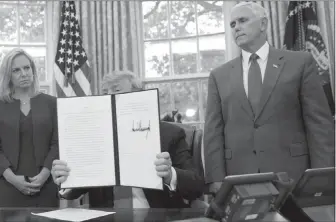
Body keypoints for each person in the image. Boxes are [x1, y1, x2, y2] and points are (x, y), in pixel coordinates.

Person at [204, 2, 335, 194]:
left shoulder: (300, 62)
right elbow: (213, 132)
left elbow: (319, 125)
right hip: (240, 180)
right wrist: (215, 179)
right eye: (232, 24)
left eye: (242, 20)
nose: (236, 27)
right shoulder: (219, 75)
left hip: (294, 177)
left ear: (263, 24)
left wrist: (322, 176)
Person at [51, 70, 204, 208]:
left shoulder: (170, 134)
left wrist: (169, 174)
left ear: (138, 95)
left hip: (157, 215)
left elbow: (196, 186)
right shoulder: (93, 136)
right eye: (104, 93)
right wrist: (66, 179)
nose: (108, 97)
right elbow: (74, 190)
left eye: (116, 91)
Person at [0, 48, 59, 207]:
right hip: (8, 187)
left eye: (27, 68)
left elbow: (57, 143)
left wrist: (44, 175)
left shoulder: (51, 103)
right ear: (8, 76)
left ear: (33, 69)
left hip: (45, 186)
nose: (24, 73)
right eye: (16, 70)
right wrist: (13, 179)